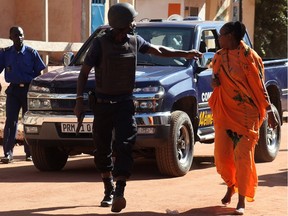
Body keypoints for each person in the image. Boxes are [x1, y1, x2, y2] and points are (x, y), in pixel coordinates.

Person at [73, 2, 202, 213]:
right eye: (131, 21)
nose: (134, 24)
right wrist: (79, 101)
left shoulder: (134, 41)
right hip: (103, 104)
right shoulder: (100, 44)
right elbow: (84, 72)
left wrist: (184, 53)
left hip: (124, 103)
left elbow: (158, 49)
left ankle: (120, 191)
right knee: (102, 148)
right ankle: (108, 187)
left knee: (125, 144)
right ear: (122, 23)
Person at [208, 21, 277, 215]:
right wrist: (214, 84)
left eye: (221, 35)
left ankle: (241, 201)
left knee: (243, 157)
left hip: (247, 114)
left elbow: (260, 86)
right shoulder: (219, 57)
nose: (218, 38)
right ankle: (231, 184)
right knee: (221, 157)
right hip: (225, 112)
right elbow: (216, 81)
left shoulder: (250, 57)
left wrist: (269, 110)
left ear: (230, 36)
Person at [0, 26, 46, 164]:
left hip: (28, 91)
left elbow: (39, 73)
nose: (19, 38)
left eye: (21, 35)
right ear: (10, 38)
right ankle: (8, 153)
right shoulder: (6, 53)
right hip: (13, 91)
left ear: (23, 36)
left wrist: (36, 91)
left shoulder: (32, 53)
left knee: (29, 121)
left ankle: (30, 152)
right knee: (11, 121)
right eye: (15, 35)